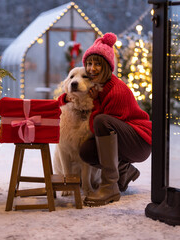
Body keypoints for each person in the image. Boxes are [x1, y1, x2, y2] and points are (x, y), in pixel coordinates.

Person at [59, 33, 151, 206]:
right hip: (122, 136)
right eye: (89, 64)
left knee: (101, 121)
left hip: (139, 141)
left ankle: (109, 187)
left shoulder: (117, 91)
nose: (92, 68)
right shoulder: (97, 86)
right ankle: (125, 171)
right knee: (86, 150)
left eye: (97, 65)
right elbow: (66, 96)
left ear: (108, 67)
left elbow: (101, 127)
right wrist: (66, 99)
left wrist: (95, 104)